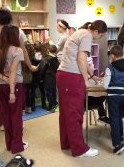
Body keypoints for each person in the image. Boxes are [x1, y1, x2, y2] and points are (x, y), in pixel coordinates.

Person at [56, 20, 107, 157]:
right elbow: (81, 60)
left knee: (66, 113)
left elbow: (82, 60)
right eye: (101, 35)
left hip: (64, 75)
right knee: (75, 113)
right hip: (71, 77)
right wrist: (85, 80)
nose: (100, 38)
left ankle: (67, 143)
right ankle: (79, 149)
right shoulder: (87, 35)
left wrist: (92, 75)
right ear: (96, 31)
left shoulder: (80, 32)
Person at [0, 7, 36, 110]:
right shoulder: (17, 31)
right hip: (14, 67)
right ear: (10, 17)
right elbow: (24, 51)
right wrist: (30, 65)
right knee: (13, 93)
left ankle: (0, 116)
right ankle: (14, 119)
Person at [0, 25, 28, 154]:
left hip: (1, 86)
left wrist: (5, 79)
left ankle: (9, 145)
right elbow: (13, 71)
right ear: (14, 36)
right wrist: (12, 90)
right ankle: (17, 146)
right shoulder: (17, 51)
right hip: (15, 86)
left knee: (6, 116)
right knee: (16, 116)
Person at [87, 56, 109, 124]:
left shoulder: (89, 77)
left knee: (103, 97)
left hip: (89, 99)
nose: (93, 67)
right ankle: (102, 116)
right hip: (86, 102)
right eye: (91, 65)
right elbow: (91, 91)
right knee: (103, 97)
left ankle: (102, 115)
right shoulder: (86, 78)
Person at [40, 44, 60, 112]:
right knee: (53, 91)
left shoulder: (46, 59)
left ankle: (50, 106)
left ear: (48, 50)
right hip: (54, 77)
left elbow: (42, 69)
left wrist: (41, 78)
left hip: (47, 78)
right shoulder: (56, 59)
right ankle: (54, 103)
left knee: (48, 92)